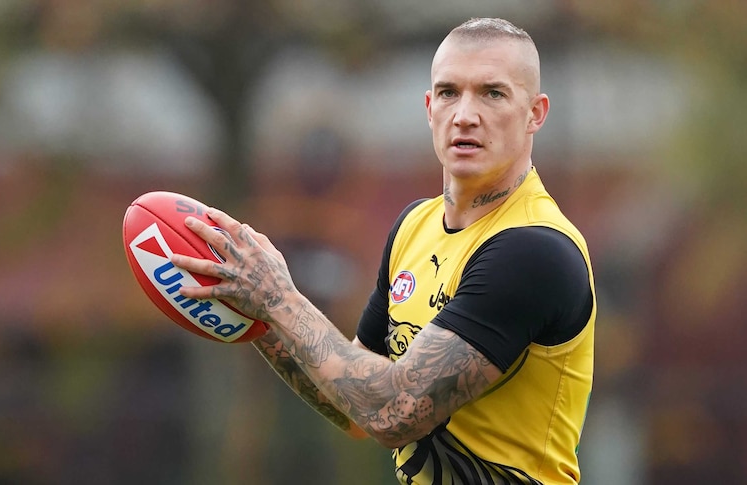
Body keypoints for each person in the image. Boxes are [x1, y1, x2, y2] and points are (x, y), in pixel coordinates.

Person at [172, 17, 596, 485]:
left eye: (493, 93)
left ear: (536, 113)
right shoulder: (413, 227)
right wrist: (257, 315)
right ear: (430, 107)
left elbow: (394, 413)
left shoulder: (533, 250)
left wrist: (279, 299)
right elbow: (353, 406)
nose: (465, 114)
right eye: (450, 92)